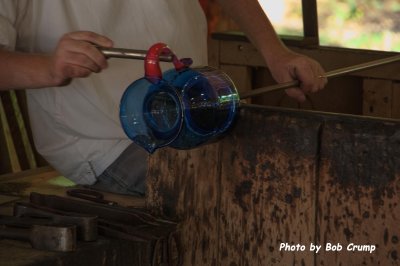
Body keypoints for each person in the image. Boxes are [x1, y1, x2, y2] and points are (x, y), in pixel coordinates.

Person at [0, 1, 327, 196]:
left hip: (192, 116)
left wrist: (276, 54)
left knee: (301, 179)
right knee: (238, 199)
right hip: (103, 140)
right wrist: (49, 67)